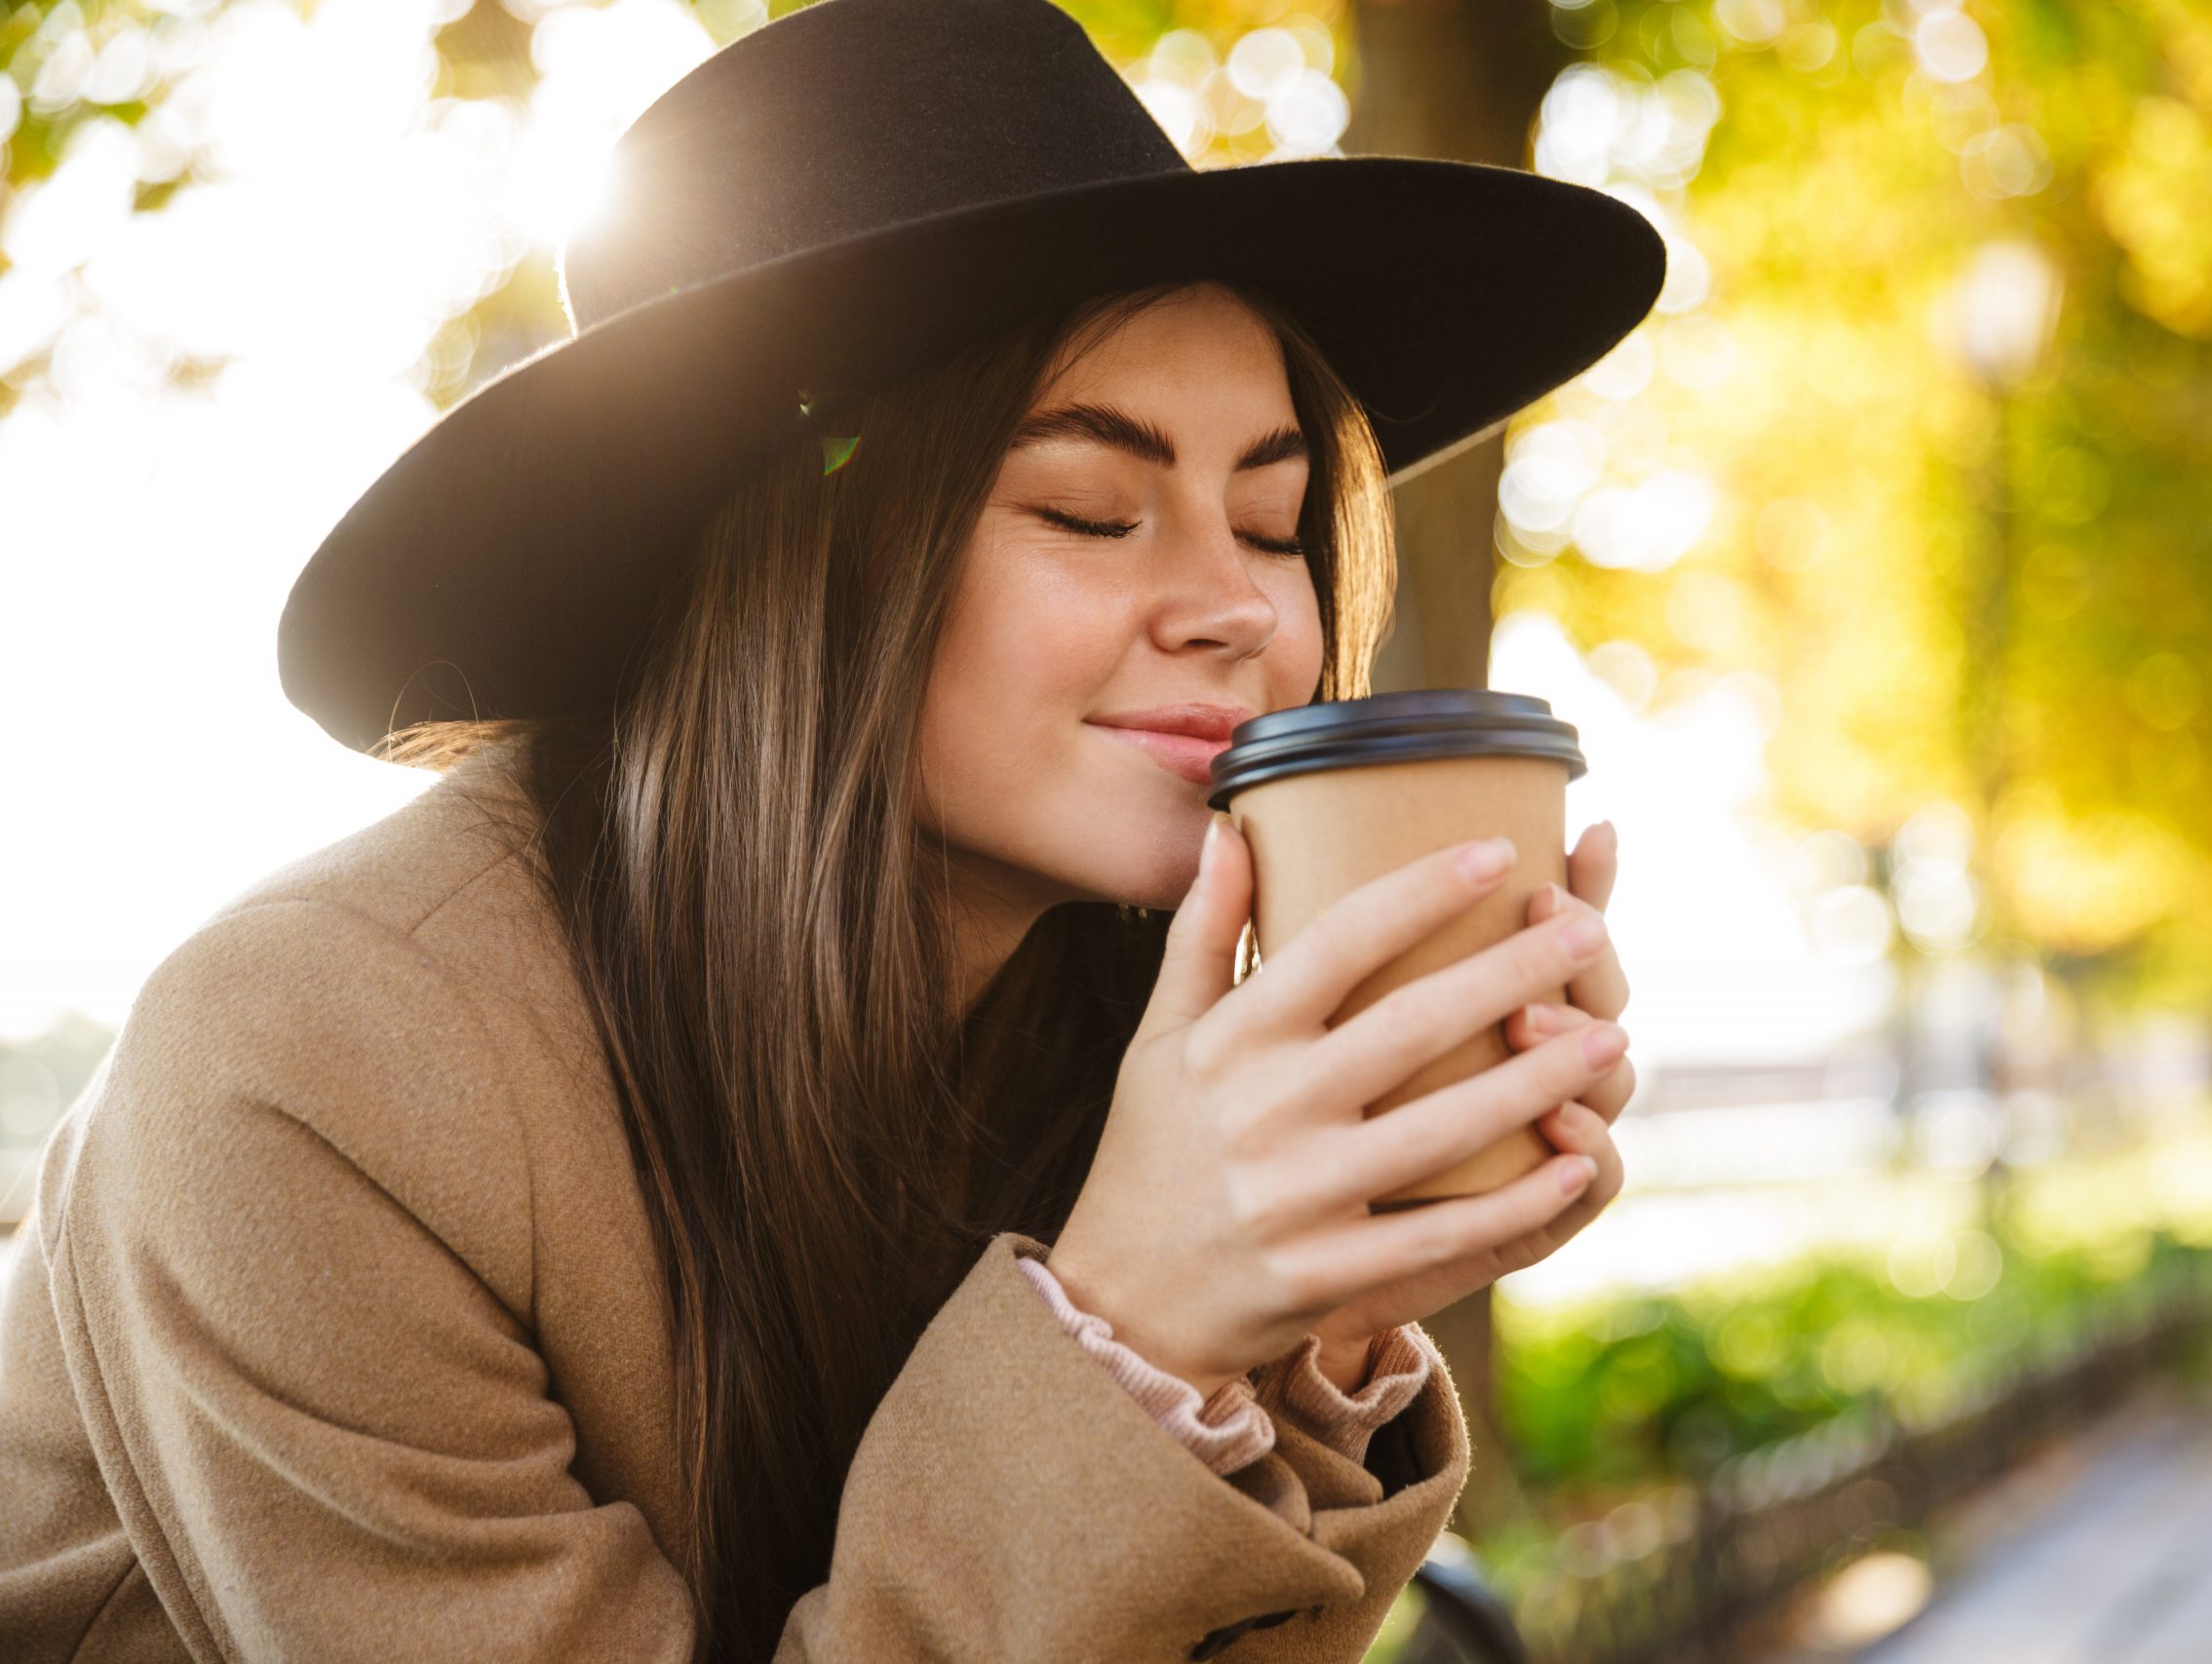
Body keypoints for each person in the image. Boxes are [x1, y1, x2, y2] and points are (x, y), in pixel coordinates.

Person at [0, 2, 1660, 1660]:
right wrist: (1129, 1328)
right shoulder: (312, 1070)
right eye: (1091, 509)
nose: (1241, 611)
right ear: (794, 564)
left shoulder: (1132, 1028)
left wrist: (1321, 1299)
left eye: (1279, 522)